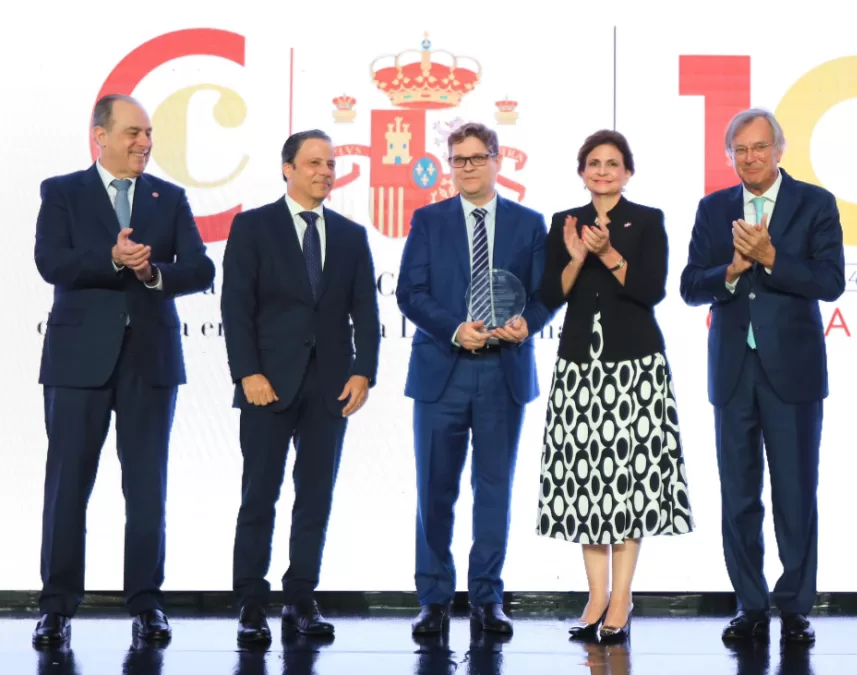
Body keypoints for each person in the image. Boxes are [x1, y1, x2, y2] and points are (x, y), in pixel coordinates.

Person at [32, 93, 216, 645]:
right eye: (133, 132)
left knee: (146, 487)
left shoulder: (169, 197)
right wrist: (111, 259)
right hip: (77, 361)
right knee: (68, 487)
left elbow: (201, 267)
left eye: (149, 133)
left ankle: (145, 603)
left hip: (149, 361)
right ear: (101, 135)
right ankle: (58, 606)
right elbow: (50, 262)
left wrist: (155, 274)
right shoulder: (62, 192)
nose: (144, 142)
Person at [680, 108, 845, 642]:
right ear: (730, 156)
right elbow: (689, 285)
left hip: (792, 374)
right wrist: (728, 271)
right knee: (739, 496)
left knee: (796, 493)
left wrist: (771, 256)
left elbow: (831, 281)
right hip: (733, 372)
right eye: (740, 150)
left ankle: (795, 605)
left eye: (759, 147)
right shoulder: (714, 209)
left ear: (779, 150)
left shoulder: (815, 203)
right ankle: (751, 604)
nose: (750, 158)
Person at [221, 129, 381, 643]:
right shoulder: (252, 228)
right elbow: (236, 308)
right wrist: (248, 373)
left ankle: (300, 600)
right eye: (314, 163)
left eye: (331, 164)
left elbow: (366, 313)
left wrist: (364, 371)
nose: (325, 172)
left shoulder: (352, 236)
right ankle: (250, 602)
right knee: (258, 495)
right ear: (287, 168)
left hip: (331, 387)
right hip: (266, 384)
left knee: (315, 496)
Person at [397, 122, 553, 636]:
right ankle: (434, 600)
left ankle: (487, 598)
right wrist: (453, 328)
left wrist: (527, 322)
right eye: (458, 159)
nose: (467, 167)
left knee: (494, 490)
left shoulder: (530, 224)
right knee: (434, 491)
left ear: (497, 159)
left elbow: (545, 294)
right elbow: (409, 291)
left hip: (503, 371)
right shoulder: (428, 219)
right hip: (443, 371)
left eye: (476, 157)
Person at [537, 130, 694, 643]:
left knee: (628, 483)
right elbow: (549, 294)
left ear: (628, 172)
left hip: (635, 368)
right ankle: (596, 596)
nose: (602, 171)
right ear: (581, 171)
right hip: (579, 367)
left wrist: (607, 254)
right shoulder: (566, 223)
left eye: (612, 163)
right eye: (593, 163)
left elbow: (650, 290)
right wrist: (579, 255)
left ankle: (621, 600)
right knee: (585, 486)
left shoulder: (647, 221)